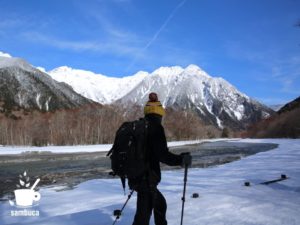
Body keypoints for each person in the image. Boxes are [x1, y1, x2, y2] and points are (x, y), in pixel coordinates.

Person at [129, 92, 192, 225]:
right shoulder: (155, 128)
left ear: (146, 112)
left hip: (136, 176)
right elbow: (162, 155)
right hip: (147, 178)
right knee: (143, 216)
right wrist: (180, 160)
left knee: (159, 205)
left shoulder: (139, 127)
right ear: (160, 113)